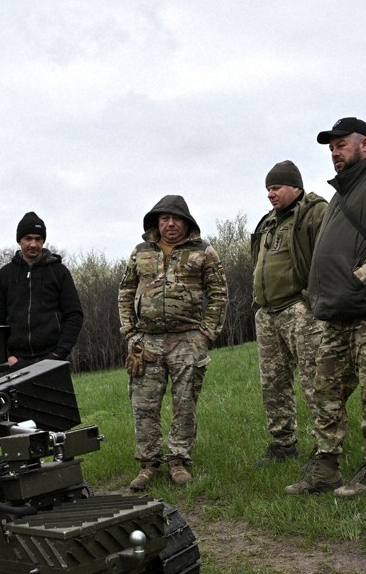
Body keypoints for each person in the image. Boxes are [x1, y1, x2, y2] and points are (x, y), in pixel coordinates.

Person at [286, 117, 366, 498]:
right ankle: (325, 469)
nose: (335, 153)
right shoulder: (341, 194)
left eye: (341, 145)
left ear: (365, 145)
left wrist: (363, 275)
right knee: (325, 391)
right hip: (339, 314)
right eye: (331, 148)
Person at [119, 195, 228, 489]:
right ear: (156, 222)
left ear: (186, 222)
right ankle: (148, 464)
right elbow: (126, 291)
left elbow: (219, 294)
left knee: (184, 404)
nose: (170, 224)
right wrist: (130, 332)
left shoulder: (204, 251)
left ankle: (178, 460)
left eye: (176, 218)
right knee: (144, 405)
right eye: (164, 218)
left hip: (187, 340)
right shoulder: (140, 252)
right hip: (146, 342)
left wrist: (206, 333)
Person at [250, 160, 328, 466]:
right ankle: (283, 445)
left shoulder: (314, 212)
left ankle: (326, 448)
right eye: (268, 189)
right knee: (273, 384)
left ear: (296, 187)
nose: (270, 194)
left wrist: (312, 299)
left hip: (300, 310)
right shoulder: (268, 222)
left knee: (315, 380)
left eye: (276, 187)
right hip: (267, 313)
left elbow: (328, 256)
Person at [0, 212, 84, 367]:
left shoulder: (59, 272)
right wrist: (8, 355)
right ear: (19, 241)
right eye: (28, 238)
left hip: (53, 360)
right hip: (16, 362)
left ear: (43, 241)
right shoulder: (5, 274)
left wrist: (59, 353)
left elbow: (74, 315)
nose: (33, 244)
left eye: (38, 239)